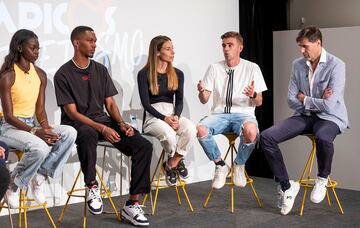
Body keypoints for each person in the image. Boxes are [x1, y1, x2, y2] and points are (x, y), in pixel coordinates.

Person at [54, 26, 152, 227]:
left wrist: (121, 124)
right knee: (87, 133)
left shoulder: (100, 69)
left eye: (95, 40)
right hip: (78, 123)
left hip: (104, 120)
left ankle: (132, 204)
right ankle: (91, 185)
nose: (94, 44)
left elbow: (110, 103)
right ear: (76, 43)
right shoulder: (63, 73)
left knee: (143, 146)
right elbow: (72, 113)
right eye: (90, 40)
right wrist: (102, 128)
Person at [260, 26, 349, 215]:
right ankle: (286, 187)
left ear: (318, 43)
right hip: (305, 116)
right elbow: (291, 99)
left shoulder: (337, 65)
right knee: (267, 137)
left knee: (323, 137)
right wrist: (317, 101)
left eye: (305, 46)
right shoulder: (297, 64)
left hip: (330, 118)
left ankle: (322, 178)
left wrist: (305, 99)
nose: (302, 51)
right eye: (300, 46)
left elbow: (331, 105)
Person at [0, 29, 77, 208]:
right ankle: (14, 184)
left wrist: (46, 128)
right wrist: (36, 132)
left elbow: (40, 110)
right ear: (20, 48)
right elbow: (9, 116)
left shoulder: (40, 74)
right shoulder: (8, 75)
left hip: (30, 124)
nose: (37, 52)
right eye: (33, 48)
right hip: (8, 127)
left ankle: (40, 175)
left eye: (38, 49)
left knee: (70, 132)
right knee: (40, 147)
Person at [197, 31, 267, 189]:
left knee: (251, 132)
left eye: (230, 45)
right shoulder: (214, 68)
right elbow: (204, 99)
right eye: (224, 45)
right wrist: (202, 91)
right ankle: (220, 165)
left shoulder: (252, 68)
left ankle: (239, 165)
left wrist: (253, 94)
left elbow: (259, 101)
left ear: (240, 47)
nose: (226, 49)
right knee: (201, 129)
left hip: (243, 114)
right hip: (219, 115)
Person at [138, 35, 196, 186]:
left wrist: (176, 116)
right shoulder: (144, 74)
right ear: (157, 52)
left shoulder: (178, 73)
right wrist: (165, 119)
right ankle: (177, 161)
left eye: (172, 49)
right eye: (168, 49)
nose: (172, 52)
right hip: (153, 117)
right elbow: (145, 104)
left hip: (171, 114)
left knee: (190, 129)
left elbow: (180, 100)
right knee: (169, 135)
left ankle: (172, 163)